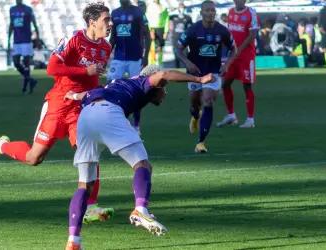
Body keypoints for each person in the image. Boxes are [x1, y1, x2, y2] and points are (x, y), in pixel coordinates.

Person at [0, 3, 114, 223]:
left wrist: (98, 94)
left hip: (79, 109)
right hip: (57, 104)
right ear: (92, 22)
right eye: (106, 20)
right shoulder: (73, 39)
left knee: (88, 153)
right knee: (34, 158)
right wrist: (85, 70)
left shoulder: (105, 48)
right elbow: (52, 68)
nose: (110, 24)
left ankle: (91, 205)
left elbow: (92, 79)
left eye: (109, 20)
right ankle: (2, 146)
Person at [64, 65, 214, 249]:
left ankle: (74, 240)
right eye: (163, 88)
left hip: (85, 118)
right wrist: (199, 80)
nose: (164, 93)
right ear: (156, 85)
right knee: (142, 164)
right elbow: (164, 73)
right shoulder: (143, 82)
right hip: (108, 113)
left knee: (84, 184)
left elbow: (81, 95)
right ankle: (141, 210)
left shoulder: (114, 84)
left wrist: (72, 95)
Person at [176, 0, 236, 153]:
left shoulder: (222, 30)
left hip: (213, 72)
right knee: (195, 104)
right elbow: (178, 49)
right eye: (207, 10)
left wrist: (227, 64)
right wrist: (188, 63)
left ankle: (201, 143)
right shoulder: (193, 30)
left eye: (213, 10)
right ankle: (195, 116)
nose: (211, 13)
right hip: (195, 73)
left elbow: (233, 49)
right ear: (201, 12)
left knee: (208, 101)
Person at [217, 0, 260, 128]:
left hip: (246, 56)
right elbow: (230, 33)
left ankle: (250, 120)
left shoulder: (251, 13)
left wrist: (238, 50)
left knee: (247, 86)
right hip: (233, 55)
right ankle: (231, 115)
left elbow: (252, 35)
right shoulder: (230, 12)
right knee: (225, 84)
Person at [108, 0, 149, 81]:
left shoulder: (138, 11)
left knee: (135, 85)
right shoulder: (114, 13)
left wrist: (146, 56)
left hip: (135, 58)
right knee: (111, 83)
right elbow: (113, 38)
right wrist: (106, 57)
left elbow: (147, 36)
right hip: (118, 57)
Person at [8, 0, 39, 94]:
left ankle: (26, 87)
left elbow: (34, 24)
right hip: (16, 40)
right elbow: (11, 24)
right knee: (16, 62)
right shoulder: (12, 9)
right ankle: (30, 80)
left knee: (26, 64)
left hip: (26, 40)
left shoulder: (28, 9)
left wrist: (37, 39)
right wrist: (8, 39)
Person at [169, 2, 192, 68]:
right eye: (180, 8)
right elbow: (170, 26)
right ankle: (177, 70)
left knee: (185, 54)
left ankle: (186, 70)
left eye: (183, 8)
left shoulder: (188, 17)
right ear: (178, 8)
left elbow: (190, 28)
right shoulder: (173, 17)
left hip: (183, 38)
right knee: (176, 54)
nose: (182, 9)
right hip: (175, 38)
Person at [146, 0, 169, 66]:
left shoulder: (164, 7)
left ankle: (159, 64)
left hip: (161, 29)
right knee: (152, 48)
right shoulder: (150, 6)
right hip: (152, 29)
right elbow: (147, 19)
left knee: (160, 48)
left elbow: (167, 19)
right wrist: (150, 30)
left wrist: (166, 31)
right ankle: (151, 65)